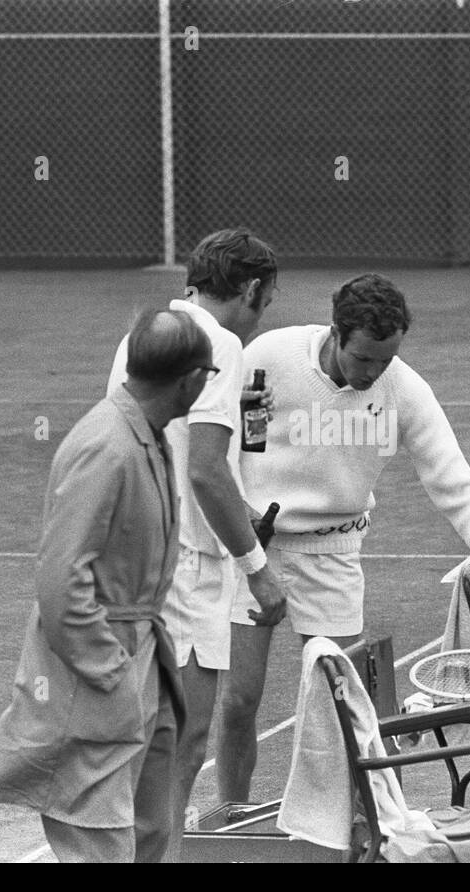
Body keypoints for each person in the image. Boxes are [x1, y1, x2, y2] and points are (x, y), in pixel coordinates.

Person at [216, 273, 470, 802]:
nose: (373, 372)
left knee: (345, 704)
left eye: (386, 360)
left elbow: (455, 481)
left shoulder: (405, 388)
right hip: (257, 549)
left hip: (334, 553)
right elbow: (232, 446)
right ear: (335, 333)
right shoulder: (268, 358)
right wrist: (241, 525)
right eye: (363, 359)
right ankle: (230, 815)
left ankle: (355, 823)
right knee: (238, 701)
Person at [0, 308, 214, 863]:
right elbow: (60, 585)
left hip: (140, 661)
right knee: (98, 843)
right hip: (96, 678)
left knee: (151, 833)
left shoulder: (143, 434)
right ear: (191, 378)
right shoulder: (108, 447)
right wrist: (112, 670)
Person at [105, 228, 287, 858]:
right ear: (255, 289)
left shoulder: (147, 332)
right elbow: (206, 468)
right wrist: (257, 567)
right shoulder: (222, 344)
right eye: (268, 300)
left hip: (143, 554)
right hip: (184, 566)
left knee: (160, 738)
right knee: (179, 741)